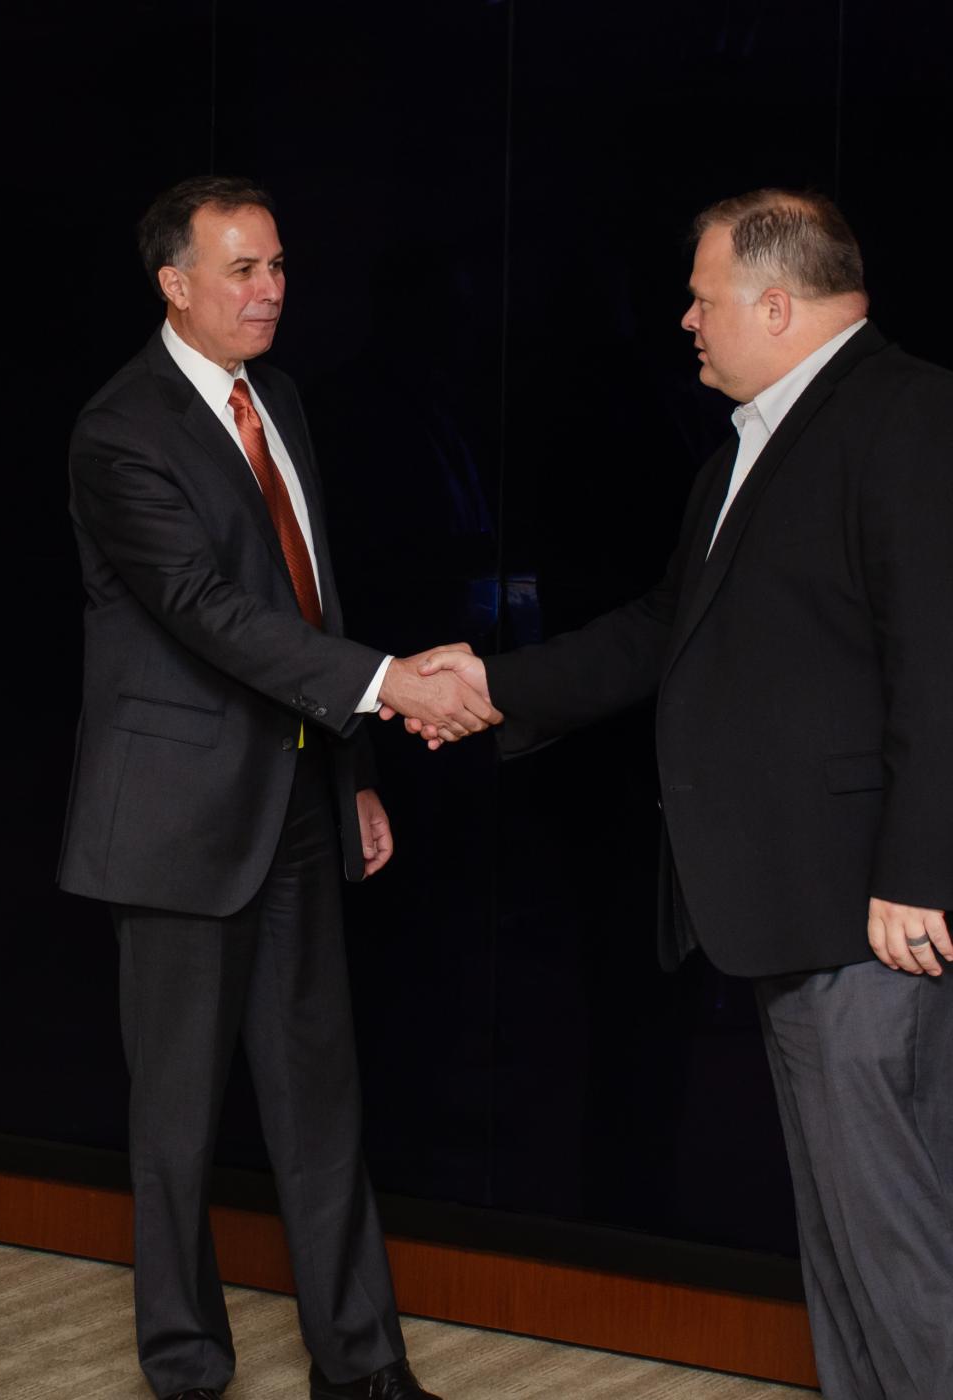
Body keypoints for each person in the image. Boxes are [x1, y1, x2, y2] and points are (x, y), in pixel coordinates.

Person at [407, 190, 953, 1399]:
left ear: (774, 301)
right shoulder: (746, 451)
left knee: (902, 1242)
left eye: (702, 297)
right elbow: (664, 628)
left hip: (871, 913)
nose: (683, 319)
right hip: (790, 901)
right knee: (844, 1237)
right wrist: (490, 678)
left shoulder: (906, 414)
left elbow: (940, 653)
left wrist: (917, 870)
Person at [60, 176, 496, 1400]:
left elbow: (311, 600)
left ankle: (360, 1365)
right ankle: (186, 1366)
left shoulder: (280, 400)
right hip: (174, 824)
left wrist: (350, 771)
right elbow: (205, 613)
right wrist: (388, 686)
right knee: (178, 1129)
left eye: (278, 265)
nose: (270, 289)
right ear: (175, 283)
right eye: (242, 269)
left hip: (300, 802)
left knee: (322, 1106)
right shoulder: (120, 427)